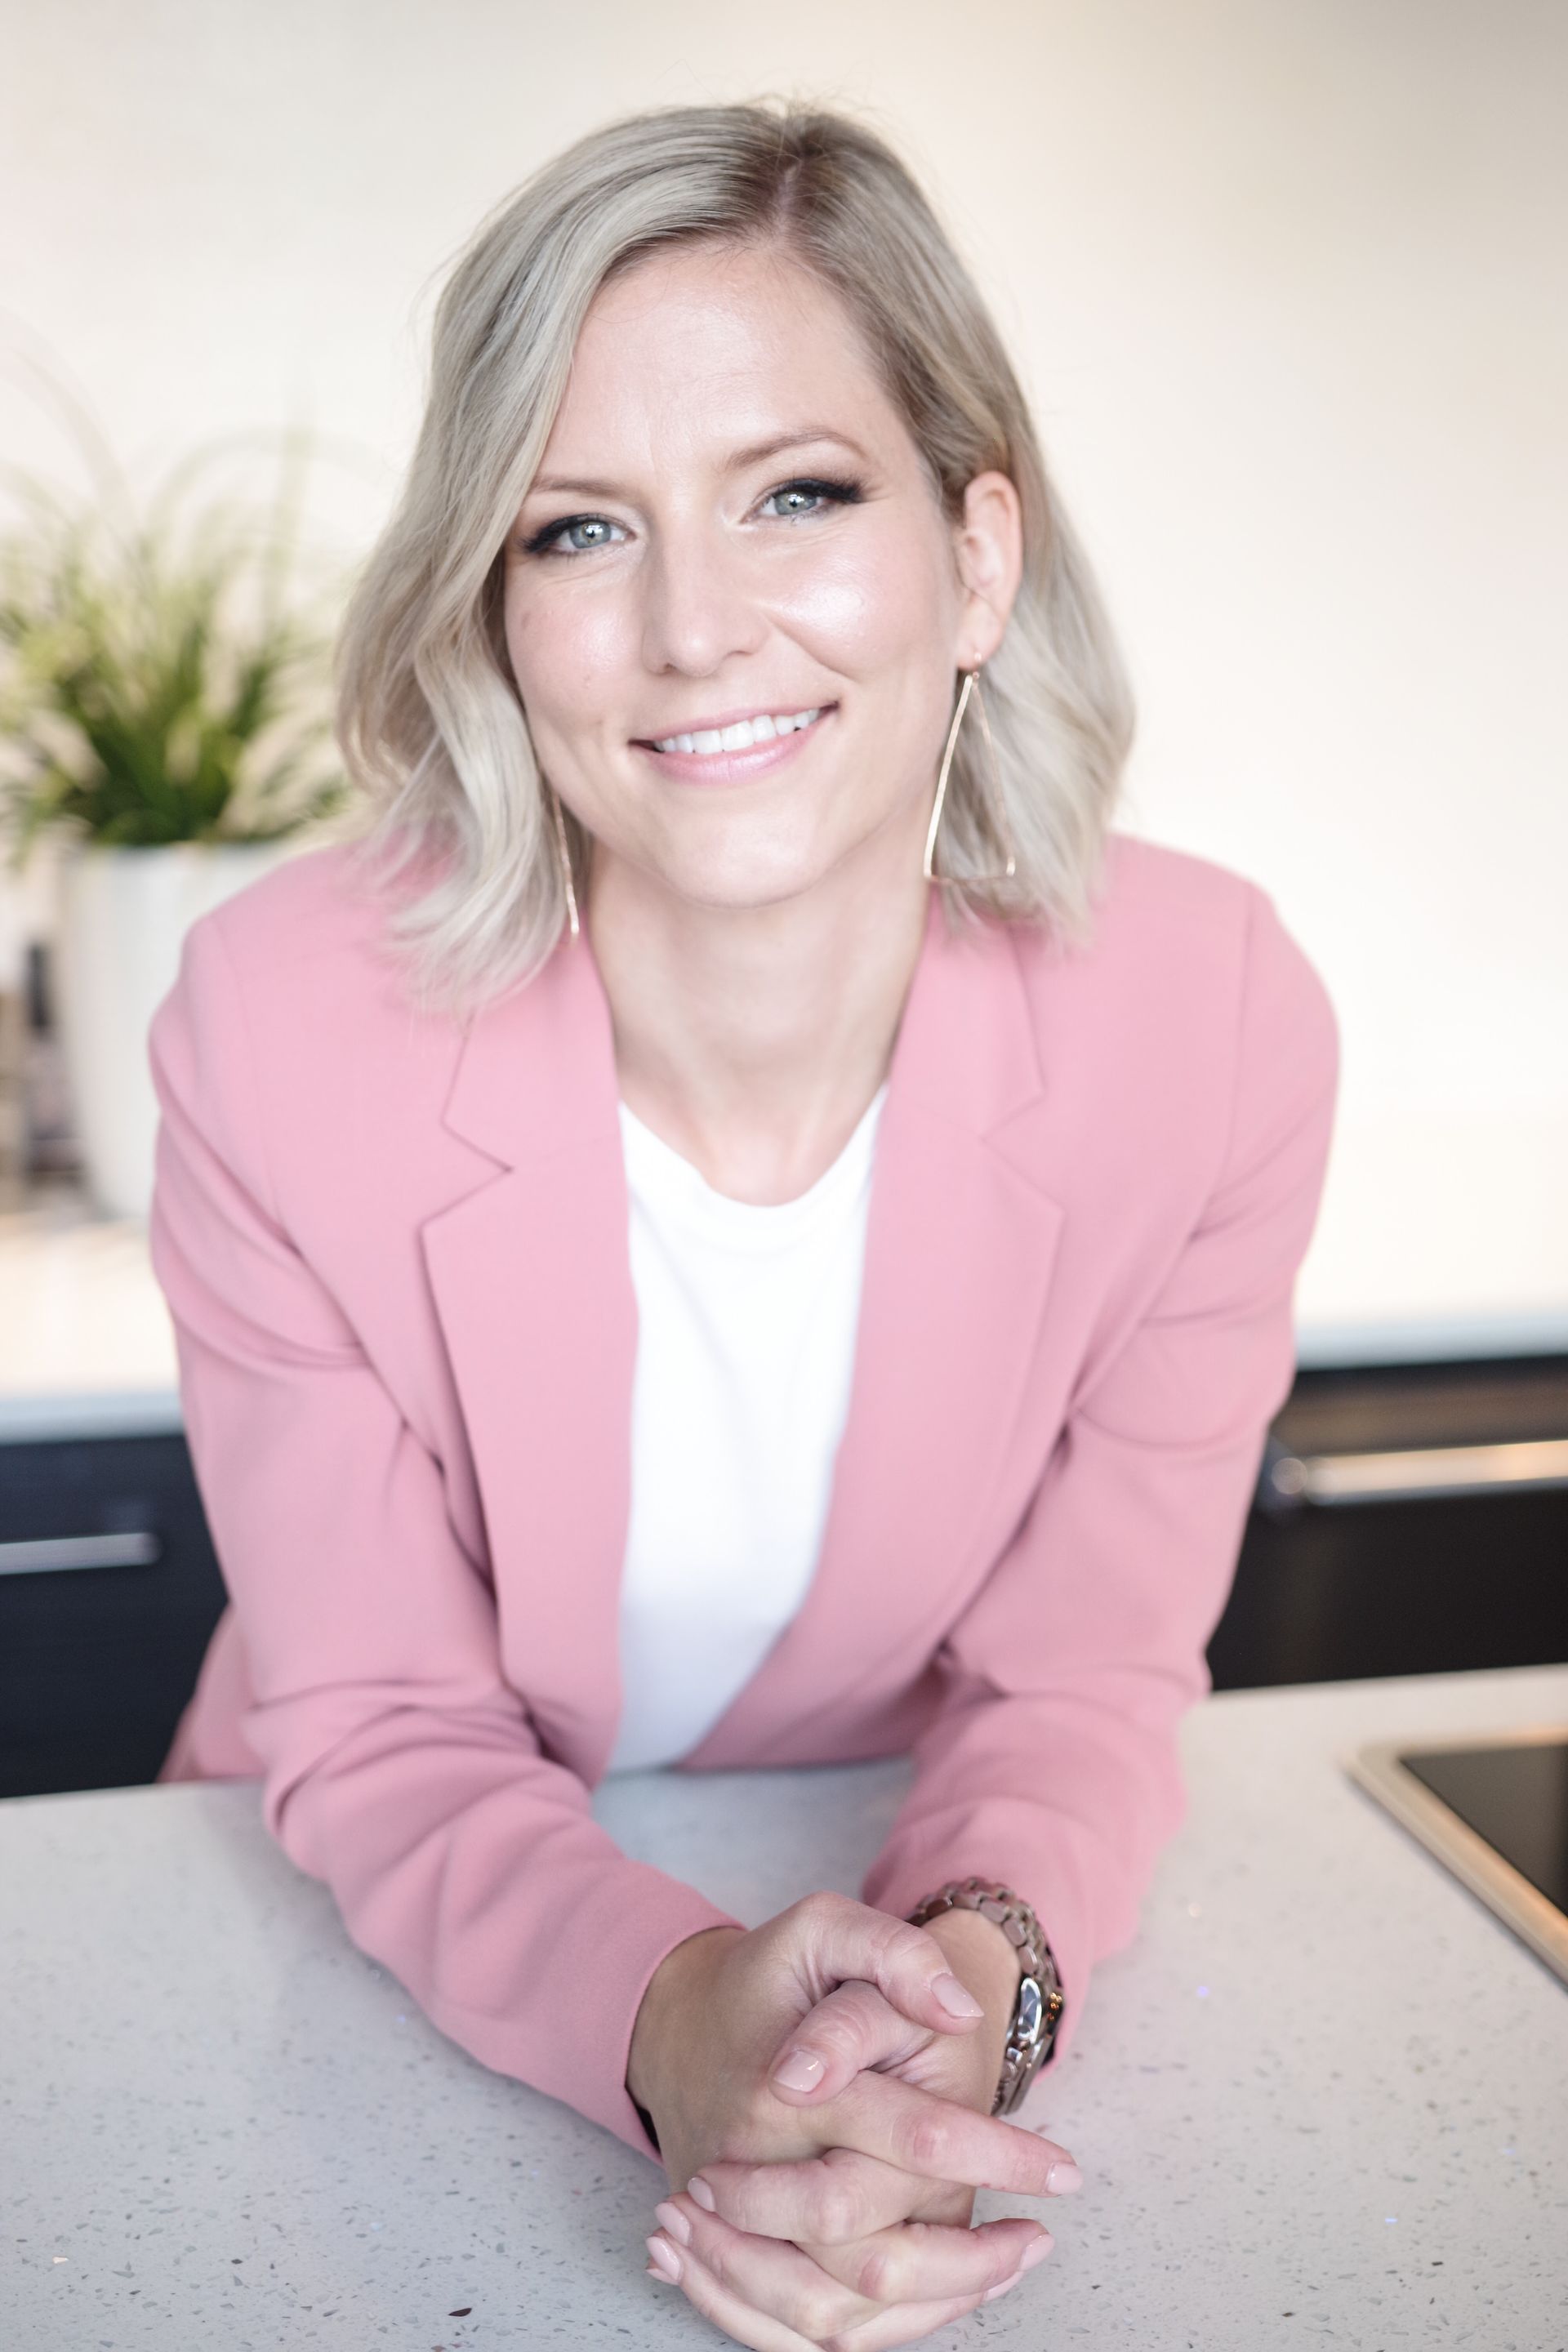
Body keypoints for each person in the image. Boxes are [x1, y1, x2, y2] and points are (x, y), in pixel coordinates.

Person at [148, 99, 1339, 2349]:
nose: (697, 627)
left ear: (979, 557)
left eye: (799, 493)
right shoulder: (279, 1030)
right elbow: (386, 1719)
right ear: (495, 613)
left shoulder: (1217, 1021)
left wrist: (965, 1997)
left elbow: (1079, 1681)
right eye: (580, 529)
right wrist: (675, 2021)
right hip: (353, 1953)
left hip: (870, 1886)